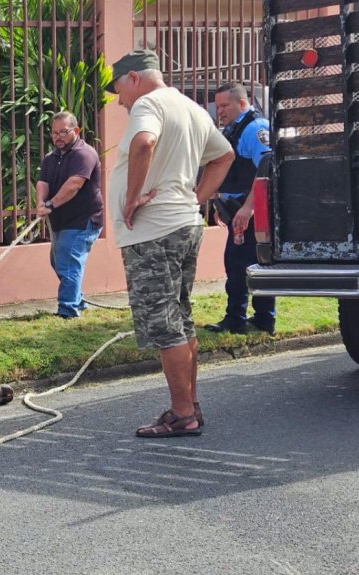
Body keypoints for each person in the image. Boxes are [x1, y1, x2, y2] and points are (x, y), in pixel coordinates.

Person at [105, 50, 234, 438]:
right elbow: (223, 155)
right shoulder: (190, 107)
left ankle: (183, 413)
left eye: (118, 91)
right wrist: (196, 198)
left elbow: (144, 144)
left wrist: (131, 197)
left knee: (163, 323)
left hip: (154, 231)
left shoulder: (148, 103)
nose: (120, 101)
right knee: (180, 316)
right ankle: (188, 405)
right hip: (182, 224)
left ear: (133, 79)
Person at [204, 82, 276, 335]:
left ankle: (240, 320)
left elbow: (267, 168)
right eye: (218, 106)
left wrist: (248, 209)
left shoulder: (255, 127)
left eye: (225, 105)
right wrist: (220, 203)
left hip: (252, 213)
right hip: (237, 209)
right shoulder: (234, 129)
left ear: (242, 103)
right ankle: (260, 320)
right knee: (247, 264)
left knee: (240, 265)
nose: (219, 111)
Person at [35, 111, 104, 319]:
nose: (58, 137)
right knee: (58, 262)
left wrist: (51, 205)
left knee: (68, 263)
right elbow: (42, 182)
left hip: (83, 219)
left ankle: (68, 310)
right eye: (54, 133)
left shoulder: (84, 154)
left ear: (75, 131)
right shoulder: (52, 157)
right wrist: (40, 203)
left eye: (63, 132)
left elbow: (74, 185)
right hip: (61, 220)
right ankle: (77, 300)